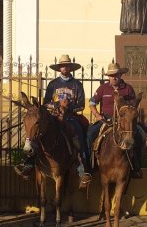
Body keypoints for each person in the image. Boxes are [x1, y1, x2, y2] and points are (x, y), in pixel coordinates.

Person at [14, 55, 90, 187]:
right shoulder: (53, 84)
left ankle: (82, 171)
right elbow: (45, 103)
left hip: (70, 117)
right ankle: (29, 163)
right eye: (62, 66)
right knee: (40, 135)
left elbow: (82, 105)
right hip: (54, 117)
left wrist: (67, 107)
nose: (64, 68)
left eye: (67, 66)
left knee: (78, 137)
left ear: (70, 68)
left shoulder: (77, 85)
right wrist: (57, 105)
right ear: (59, 68)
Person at [87, 62, 144, 178]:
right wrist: (97, 115)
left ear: (120, 75)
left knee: (140, 135)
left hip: (124, 122)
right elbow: (92, 102)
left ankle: (136, 167)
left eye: (117, 74)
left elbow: (133, 105)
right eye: (112, 75)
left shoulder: (128, 89)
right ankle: (90, 168)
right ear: (108, 76)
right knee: (90, 134)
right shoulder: (103, 88)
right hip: (106, 120)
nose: (114, 77)